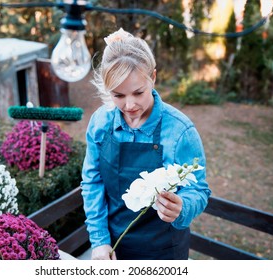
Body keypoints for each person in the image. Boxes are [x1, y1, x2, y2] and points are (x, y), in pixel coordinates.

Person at [80, 28, 211, 260]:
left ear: (153, 77)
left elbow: (198, 191)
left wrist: (182, 207)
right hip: (112, 248)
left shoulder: (180, 131)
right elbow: (93, 182)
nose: (129, 105)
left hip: (163, 251)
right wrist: (99, 241)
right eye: (118, 95)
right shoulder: (100, 122)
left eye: (138, 92)